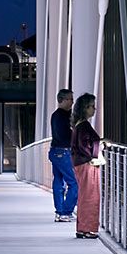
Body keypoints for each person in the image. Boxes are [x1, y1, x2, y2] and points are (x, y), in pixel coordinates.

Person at [71, 93, 106, 239]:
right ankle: (88, 229)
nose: (95, 109)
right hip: (87, 163)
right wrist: (94, 153)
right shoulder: (84, 125)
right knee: (91, 196)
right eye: (92, 106)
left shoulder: (79, 125)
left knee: (85, 195)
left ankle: (82, 228)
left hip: (80, 163)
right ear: (85, 108)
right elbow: (84, 144)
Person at [48, 89, 77, 222]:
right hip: (63, 152)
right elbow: (64, 135)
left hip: (56, 151)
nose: (72, 102)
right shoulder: (62, 116)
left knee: (59, 182)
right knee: (74, 183)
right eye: (70, 99)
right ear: (63, 100)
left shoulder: (55, 115)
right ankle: (66, 211)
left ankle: (60, 211)